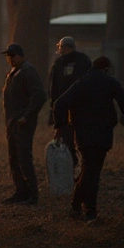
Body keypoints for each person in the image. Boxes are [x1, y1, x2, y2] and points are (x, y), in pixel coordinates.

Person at [53, 57, 124, 222]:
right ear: (105, 68)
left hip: (82, 135)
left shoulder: (81, 83)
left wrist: (61, 127)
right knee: (92, 173)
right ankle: (89, 211)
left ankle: (76, 207)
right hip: (103, 134)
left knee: (88, 171)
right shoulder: (110, 82)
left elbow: (59, 104)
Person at [0, 43, 46, 205]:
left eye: (13, 55)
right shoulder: (13, 73)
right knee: (14, 158)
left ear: (21, 55)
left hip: (23, 123)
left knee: (24, 157)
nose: (10, 58)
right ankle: (20, 192)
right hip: (12, 123)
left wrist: (26, 116)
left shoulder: (28, 71)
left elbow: (39, 95)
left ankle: (33, 195)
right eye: (8, 56)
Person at [47, 36, 92, 167]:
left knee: (75, 137)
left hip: (75, 107)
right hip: (70, 107)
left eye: (60, 46)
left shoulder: (81, 61)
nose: (59, 49)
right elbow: (53, 87)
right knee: (68, 137)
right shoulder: (60, 63)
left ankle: (78, 163)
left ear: (67, 47)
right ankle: (73, 162)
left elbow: (54, 89)